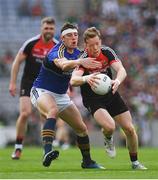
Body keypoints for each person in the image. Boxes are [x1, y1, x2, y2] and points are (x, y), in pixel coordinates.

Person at [70, 27, 147, 170]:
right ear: (85, 44)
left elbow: (121, 70)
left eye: (97, 43)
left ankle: (135, 163)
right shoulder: (83, 58)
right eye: (91, 45)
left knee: (130, 129)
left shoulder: (107, 52)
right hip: (93, 99)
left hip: (111, 94)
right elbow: (73, 80)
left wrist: (117, 81)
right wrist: (87, 78)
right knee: (110, 126)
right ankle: (107, 136)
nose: (95, 48)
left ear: (100, 41)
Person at [30, 22, 104, 169]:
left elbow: (80, 75)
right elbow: (64, 65)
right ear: (63, 39)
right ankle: (47, 152)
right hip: (41, 90)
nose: (73, 38)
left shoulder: (79, 53)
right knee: (52, 111)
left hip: (61, 95)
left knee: (81, 128)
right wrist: (79, 61)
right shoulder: (56, 51)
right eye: (69, 35)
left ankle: (87, 161)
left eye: (76, 35)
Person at [9, 17, 58, 160]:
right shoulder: (31, 43)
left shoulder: (56, 46)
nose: (48, 30)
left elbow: (62, 67)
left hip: (45, 85)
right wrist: (12, 83)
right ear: (41, 28)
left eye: (51, 28)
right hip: (28, 82)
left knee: (45, 115)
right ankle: (18, 147)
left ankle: (46, 149)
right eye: (46, 28)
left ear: (54, 30)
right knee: (25, 113)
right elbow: (17, 62)